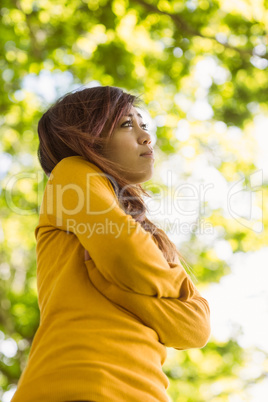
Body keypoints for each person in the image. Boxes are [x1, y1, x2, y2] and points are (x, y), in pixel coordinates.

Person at [11, 85, 211, 402]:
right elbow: (125, 255)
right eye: (126, 125)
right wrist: (159, 291)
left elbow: (196, 327)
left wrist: (120, 290)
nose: (146, 137)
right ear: (87, 137)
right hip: (78, 383)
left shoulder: (143, 229)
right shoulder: (71, 172)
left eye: (144, 124)